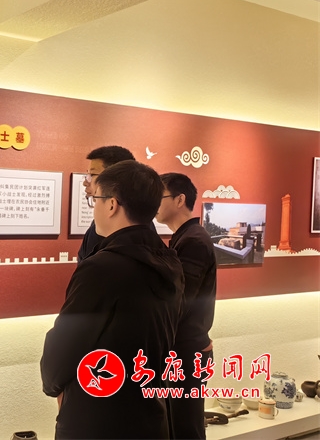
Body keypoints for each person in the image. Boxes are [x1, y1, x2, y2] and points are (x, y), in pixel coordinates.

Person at [41, 161, 184, 439]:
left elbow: (64, 344)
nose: (94, 207)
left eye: (95, 199)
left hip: (98, 418)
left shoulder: (102, 267)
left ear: (111, 205)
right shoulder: (170, 262)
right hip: (150, 414)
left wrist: (54, 387)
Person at [156, 172, 217, 440]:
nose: (154, 203)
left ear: (180, 200)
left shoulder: (192, 240)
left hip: (187, 352)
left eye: (159, 196)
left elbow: (180, 301)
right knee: (176, 425)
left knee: (185, 429)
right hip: (184, 349)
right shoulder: (186, 236)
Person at [78, 145, 136, 262]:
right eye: (87, 175)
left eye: (92, 175)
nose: (85, 182)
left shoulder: (133, 229)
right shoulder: (98, 226)